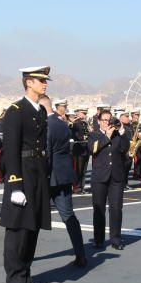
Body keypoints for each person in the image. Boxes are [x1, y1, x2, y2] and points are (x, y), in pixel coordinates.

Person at [0, 66, 52, 283]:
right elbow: (10, 150)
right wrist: (15, 185)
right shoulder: (15, 111)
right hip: (22, 174)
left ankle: (26, 275)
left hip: (38, 174)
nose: (45, 84)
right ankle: (14, 280)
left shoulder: (40, 111)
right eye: (41, 80)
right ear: (28, 82)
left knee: (32, 228)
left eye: (45, 80)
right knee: (18, 231)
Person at [45, 97, 87, 267]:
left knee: (31, 219)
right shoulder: (62, 124)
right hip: (63, 175)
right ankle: (80, 254)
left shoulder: (47, 126)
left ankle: (24, 262)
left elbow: (47, 153)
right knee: (69, 216)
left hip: (49, 176)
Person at [88, 108, 129, 250]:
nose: (107, 123)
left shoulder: (118, 135)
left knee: (116, 208)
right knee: (99, 209)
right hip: (100, 177)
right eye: (104, 120)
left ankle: (116, 239)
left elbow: (126, 149)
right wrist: (106, 136)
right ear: (99, 121)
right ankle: (98, 239)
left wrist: (122, 132)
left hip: (116, 176)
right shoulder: (94, 134)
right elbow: (92, 149)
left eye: (109, 120)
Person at [70, 106, 90, 193]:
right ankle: (76, 187)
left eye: (85, 113)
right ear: (78, 113)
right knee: (78, 169)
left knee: (84, 170)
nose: (85, 115)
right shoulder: (75, 123)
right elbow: (71, 131)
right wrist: (72, 122)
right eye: (83, 113)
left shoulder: (85, 123)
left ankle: (82, 186)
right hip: (78, 149)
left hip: (85, 148)